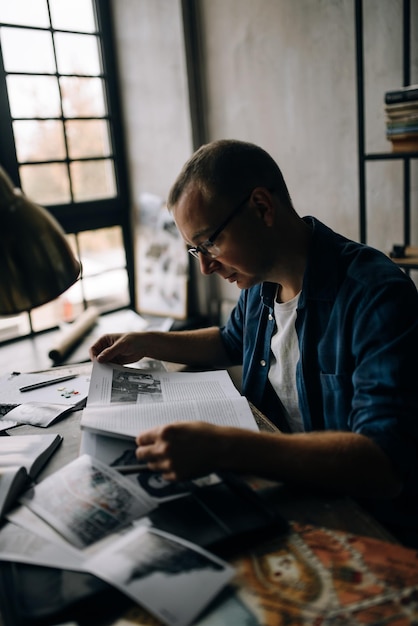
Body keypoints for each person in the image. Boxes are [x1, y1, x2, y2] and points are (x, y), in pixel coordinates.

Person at [90, 139, 418, 547]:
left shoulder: (377, 296)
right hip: (285, 495)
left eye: (210, 243)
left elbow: (383, 464)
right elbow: (229, 342)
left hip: (368, 525)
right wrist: (147, 341)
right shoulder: (258, 283)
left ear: (262, 207)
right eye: (196, 250)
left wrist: (227, 447)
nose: (206, 267)